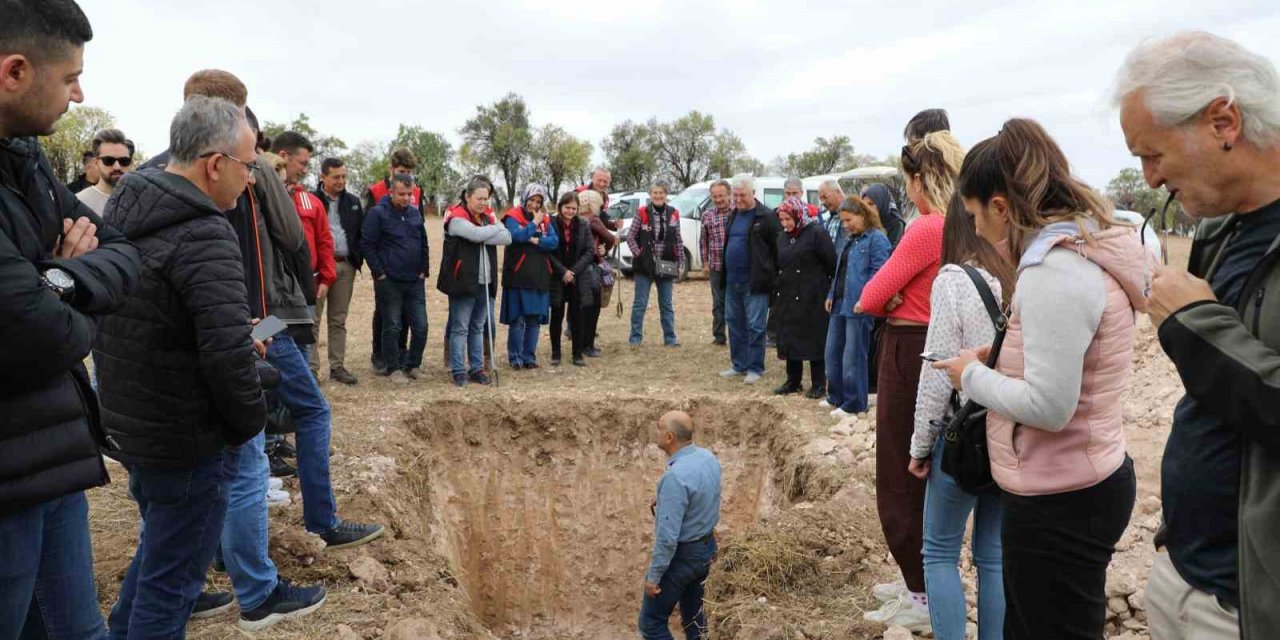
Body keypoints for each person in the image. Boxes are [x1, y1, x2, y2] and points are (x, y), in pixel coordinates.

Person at [933, 118, 1146, 639]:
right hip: (1076, 483)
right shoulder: (1081, 251)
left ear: (1001, 207)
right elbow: (1073, 358)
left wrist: (973, 376)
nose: (976, 229)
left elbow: (1051, 407)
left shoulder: (1054, 271)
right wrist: (1005, 359)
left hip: (1061, 500)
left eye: (976, 215)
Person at [1114, 31, 1280, 640]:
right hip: (1183, 575)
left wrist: (1194, 324)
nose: (1150, 180)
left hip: (1254, 605)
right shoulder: (1220, 233)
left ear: (1223, 121)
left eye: (1152, 154)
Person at [93, 96, 267, 639]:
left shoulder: (126, 208)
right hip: (185, 439)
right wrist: (247, 425)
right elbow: (224, 356)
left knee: (157, 557)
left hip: (135, 426)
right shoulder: (205, 231)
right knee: (172, 587)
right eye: (249, 166)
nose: (250, 180)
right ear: (215, 164)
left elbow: (166, 323)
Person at [0, 3, 140, 636]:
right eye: (70, 78)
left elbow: (121, 253)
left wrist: (55, 280)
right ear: (16, 71)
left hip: (51, 449)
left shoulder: (25, 160)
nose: (79, 94)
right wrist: (67, 297)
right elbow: (39, 331)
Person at [857, 130, 964, 631]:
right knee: (925, 466)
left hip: (907, 350)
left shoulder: (926, 228)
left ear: (922, 181)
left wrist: (893, 299)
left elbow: (870, 297)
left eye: (909, 181)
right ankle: (916, 581)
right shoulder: (963, 226)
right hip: (941, 346)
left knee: (900, 471)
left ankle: (919, 593)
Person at [907, 195, 1015, 640]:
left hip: (964, 433)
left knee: (938, 552)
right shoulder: (1018, 274)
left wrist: (918, 445)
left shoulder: (953, 279)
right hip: (1010, 427)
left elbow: (938, 370)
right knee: (993, 554)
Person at [638, 411, 721, 640]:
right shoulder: (707, 458)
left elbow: (667, 539)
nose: (657, 430)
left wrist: (654, 577)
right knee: (696, 622)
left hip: (683, 557)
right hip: (707, 550)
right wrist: (667, 499)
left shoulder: (675, 478)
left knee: (651, 624)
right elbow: (705, 495)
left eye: (660, 428)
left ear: (670, 437)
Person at [438, 178, 511, 386]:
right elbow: (475, 234)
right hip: (463, 282)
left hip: (485, 282)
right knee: (460, 327)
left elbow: (507, 238)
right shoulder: (456, 218)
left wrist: (487, 231)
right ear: (467, 196)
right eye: (478, 198)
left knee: (478, 326)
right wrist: (495, 227)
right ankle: (458, 369)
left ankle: (477, 368)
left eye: (486, 199)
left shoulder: (486, 218)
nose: (482, 203)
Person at [823, 197, 890, 418]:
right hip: (840, 302)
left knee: (853, 355)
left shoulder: (877, 240)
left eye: (848, 220)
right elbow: (840, 270)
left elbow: (879, 274)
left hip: (859, 305)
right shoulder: (849, 239)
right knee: (832, 352)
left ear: (863, 215)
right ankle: (836, 396)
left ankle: (854, 403)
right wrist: (832, 294)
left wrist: (867, 299)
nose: (845, 225)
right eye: (842, 221)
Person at [272, 131, 335, 367]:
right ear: (283, 157)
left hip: (304, 290)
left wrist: (326, 278)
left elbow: (324, 241)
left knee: (303, 343)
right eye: (303, 163)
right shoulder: (257, 198)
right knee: (270, 340)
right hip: (272, 295)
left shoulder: (310, 201)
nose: (305, 170)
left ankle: (304, 388)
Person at [362, 174, 429, 382]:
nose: (406, 198)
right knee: (392, 325)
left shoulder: (415, 214)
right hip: (389, 281)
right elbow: (367, 244)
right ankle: (393, 369)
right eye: (401, 194)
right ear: (390, 192)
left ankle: (413, 364)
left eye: (409, 194)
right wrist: (379, 273)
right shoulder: (377, 214)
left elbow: (423, 243)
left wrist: (423, 271)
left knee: (421, 325)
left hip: (414, 281)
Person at [771, 196, 836, 397]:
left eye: (788, 219)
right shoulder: (781, 237)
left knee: (814, 338)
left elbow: (831, 263)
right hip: (788, 293)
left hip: (812, 295)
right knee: (791, 336)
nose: (785, 224)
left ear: (798, 215)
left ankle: (818, 383)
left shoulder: (816, 233)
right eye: (782, 220)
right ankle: (793, 380)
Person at [719, 175, 781, 384]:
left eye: (742, 195)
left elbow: (777, 249)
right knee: (734, 324)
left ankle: (755, 367)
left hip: (755, 282)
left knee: (755, 326)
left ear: (753, 193)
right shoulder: (732, 215)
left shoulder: (766, 217)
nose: (738, 199)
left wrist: (772, 276)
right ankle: (739, 364)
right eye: (735, 195)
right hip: (732, 281)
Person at [311, 157, 363, 384]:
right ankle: (311, 369)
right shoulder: (310, 200)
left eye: (344, 176)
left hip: (345, 266)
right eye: (336, 177)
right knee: (312, 320)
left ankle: (338, 366)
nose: (341, 181)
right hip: (319, 268)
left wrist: (356, 259)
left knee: (338, 319)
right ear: (323, 177)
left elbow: (360, 233)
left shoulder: (353, 202)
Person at [500, 184, 559, 369]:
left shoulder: (546, 220)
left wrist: (535, 240)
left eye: (538, 201)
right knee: (517, 320)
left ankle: (529, 357)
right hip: (518, 275)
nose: (534, 205)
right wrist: (533, 225)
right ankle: (515, 357)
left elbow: (553, 242)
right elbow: (516, 236)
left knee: (534, 320)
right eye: (532, 200)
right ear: (525, 199)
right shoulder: (512, 216)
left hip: (539, 275)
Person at [627, 181, 682, 347]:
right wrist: (640, 253)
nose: (658, 196)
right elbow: (630, 237)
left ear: (666, 195)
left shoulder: (674, 214)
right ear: (650, 195)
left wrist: (680, 262)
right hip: (644, 266)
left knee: (666, 304)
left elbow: (678, 240)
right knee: (640, 304)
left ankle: (670, 338)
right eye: (655, 193)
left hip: (666, 264)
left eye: (661, 193)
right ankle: (635, 339)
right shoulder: (642, 212)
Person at [548, 191, 601, 367]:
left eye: (573, 208)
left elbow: (589, 251)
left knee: (578, 315)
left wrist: (573, 272)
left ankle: (577, 353)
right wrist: (563, 272)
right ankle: (556, 353)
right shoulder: (551, 223)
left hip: (578, 277)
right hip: (558, 276)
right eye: (567, 207)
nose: (570, 211)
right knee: (557, 314)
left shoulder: (583, 224)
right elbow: (548, 251)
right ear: (560, 207)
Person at [576, 188, 613, 357]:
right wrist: (605, 248)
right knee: (593, 307)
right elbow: (610, 238)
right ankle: (588, 345)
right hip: (591, 266)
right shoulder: (593, 219)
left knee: (582, 308)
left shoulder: (575, 218)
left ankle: (581, 343)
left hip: (577, 267)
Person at [700, 179, 732, 346]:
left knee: (734, 302)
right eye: (714, 196)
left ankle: (736, 334)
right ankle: (719, 336)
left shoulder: (737, 212)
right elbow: (703, 241)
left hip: (735, 268)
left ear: (729, 195)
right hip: (716, 267)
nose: (718, 199)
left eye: (721, 196)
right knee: (718, 303)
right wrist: (705, 262)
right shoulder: (707, 215)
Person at [75, 128, 133, 215]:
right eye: (108, 160)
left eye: (124, 161)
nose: (117, 167)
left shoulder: (142, 201)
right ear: (96, 163)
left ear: (131, 163)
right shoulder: (79, 203)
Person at [863, 183, 906, 248]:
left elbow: (891, 250)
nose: (867, 208)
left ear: (881, 202)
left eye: (870, 204)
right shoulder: (865, 222)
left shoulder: (896, 224)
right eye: (864, 205)